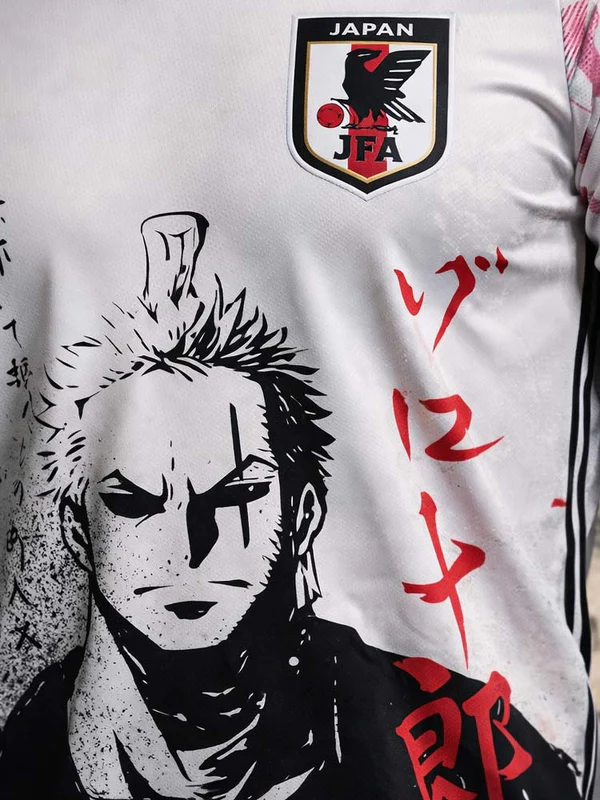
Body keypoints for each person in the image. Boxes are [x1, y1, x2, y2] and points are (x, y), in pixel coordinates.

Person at [1, 2, 600, 799]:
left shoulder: (560, 22)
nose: (190, 547)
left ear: (303, 511)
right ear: (78, 525)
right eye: (134, 500)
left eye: (236, 495)